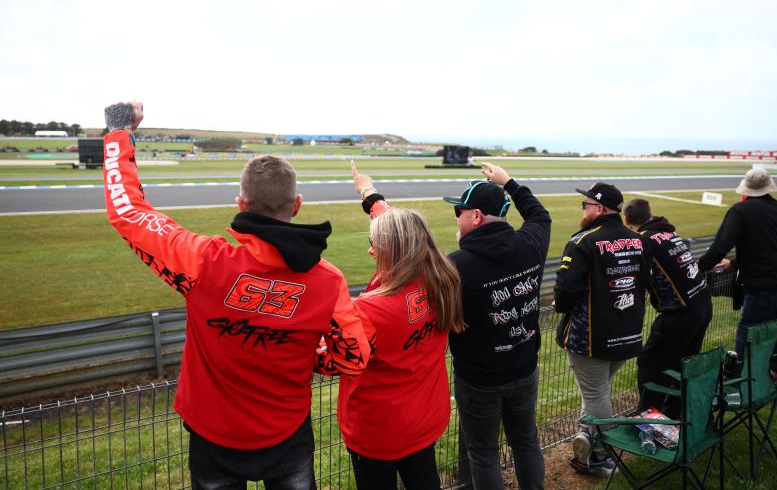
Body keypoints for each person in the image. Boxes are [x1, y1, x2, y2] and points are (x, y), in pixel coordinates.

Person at [101, 102, 374, 490]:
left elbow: (127, 212)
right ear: (296, 206)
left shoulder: (203, 261)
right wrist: (306, 356)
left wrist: (118, 131)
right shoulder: (327, 282)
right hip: (287, 433)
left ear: (240, 205)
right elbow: (354, 357)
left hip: (213, 434)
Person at [334, 163, 464, 489]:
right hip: (423, 419)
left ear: (392, 252)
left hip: (378, 431)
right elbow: (401, 227)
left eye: (374, 243)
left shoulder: (371, 309)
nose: (369, 249)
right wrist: (368, 192)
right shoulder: (439, 277)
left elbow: (330, 359)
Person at [444, 164, 551, 490]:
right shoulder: (531, 242)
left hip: (479, 379)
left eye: (458, 212)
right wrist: (508, 182)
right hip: (524, 367)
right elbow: (539, 214)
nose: (455, 219)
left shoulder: (455, 265)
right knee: (526, 441)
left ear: (476, 217)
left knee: (483, 453)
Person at [553, 182, 650, 477]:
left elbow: (566, 288)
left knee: (596, 395)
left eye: (585, 205)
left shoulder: (583, 241)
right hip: (628, 333)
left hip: (591, 338)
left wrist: (561, 306)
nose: (582, 210)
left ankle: (601, 456)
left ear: (598, 209)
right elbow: (644, 280)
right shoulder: (638, 239)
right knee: (597, 392)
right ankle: (587, 436)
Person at [698, 167, 777, 403]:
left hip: (767, 282)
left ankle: (740, 383)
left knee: (749, 329)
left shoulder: (741, 211)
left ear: (746, 191)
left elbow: (720, 245)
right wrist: (734, 263)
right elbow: (771, 245)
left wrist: (698, 268)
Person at [623, 198, 712, 418]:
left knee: (649, 363)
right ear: (650, 215)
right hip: (702, 303)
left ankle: (650, 419)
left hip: (680, 312)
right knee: (684, 364)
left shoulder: (643, 240)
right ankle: (676, 414)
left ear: (626, 220)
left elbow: (636, 277)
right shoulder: (669, 233)